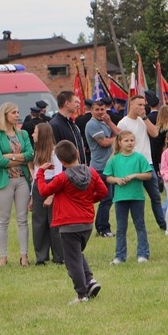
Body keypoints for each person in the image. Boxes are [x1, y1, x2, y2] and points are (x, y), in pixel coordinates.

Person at [36, 140, 107, 305]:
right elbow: (103, 191)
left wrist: (40, 172)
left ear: (61, 161)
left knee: (72, 260)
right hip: (87, 223)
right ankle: (90, 280)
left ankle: (82, 294)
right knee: (76, 254)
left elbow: (44, 191)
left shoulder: (62, 178)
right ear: (78, 153)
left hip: (69, 225)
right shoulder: (91, 172)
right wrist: (90, 200)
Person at [0, 101, 33, 267]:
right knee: (3, 219)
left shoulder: (22, 134)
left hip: (22, 179)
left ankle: (24, 256)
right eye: (14, 112)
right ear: (5, 114)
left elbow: (30, 154)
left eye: (17, 112)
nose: (17, 115)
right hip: (4, 180)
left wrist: (11, 156)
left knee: (23, 219)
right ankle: (3, 257)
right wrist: (19, 159)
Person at [116, 95, 166, 232]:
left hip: (147, 163)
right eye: (139, 105)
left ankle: (163, 224)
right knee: (134, 198)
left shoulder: (143, 120)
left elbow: (155, 134)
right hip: (131, 164)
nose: (142, 107)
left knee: (155, 196)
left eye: (143, 105)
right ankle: (134, 225)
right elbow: (120, 144)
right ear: (131, 105)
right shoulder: (123, 123)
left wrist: (144, 117)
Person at [104, 131, 152, 264]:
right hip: (120, 198)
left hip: (137, 197)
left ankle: (143, 254)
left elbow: (148, 174)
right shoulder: (114, 160)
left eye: (132, 140)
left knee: (140, 225)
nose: (129, 143)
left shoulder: (139, 158)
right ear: (119, 143)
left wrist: (134, 175)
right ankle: (120, 255)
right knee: (121, 228)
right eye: (126, 141)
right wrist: (116, 180)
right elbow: (108, 177)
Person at [84, 98, 118, 238]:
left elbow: (119, 132)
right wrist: (118, 139)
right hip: (99, 167)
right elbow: (104, 142)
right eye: (97, 109)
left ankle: (101, 226)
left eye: (102, 109)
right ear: (91, 111)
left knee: (109, 198)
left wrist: (109, 122)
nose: (100, 112)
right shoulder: (92, 124)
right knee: (106, 198)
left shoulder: (105, 122)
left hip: (109, 166)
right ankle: (103, 228)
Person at [29, 123, 63, 265]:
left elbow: (59, 176)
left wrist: (51, 195)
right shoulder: (37, 153)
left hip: (51, 186)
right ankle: (41, 257)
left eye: (35, 132)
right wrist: (32, 196)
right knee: (39, 223)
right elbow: (36, 176)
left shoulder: (55, 153)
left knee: (54, 222)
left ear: (42, 135)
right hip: (39, 186)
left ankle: (59, 256)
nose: (33, 135)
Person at [50, 91, 88, 165]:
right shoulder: (54, 125)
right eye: (75, 102)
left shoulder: (73, 124)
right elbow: (56, 152)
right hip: (66, 169)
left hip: (78, 168)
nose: (78, 105)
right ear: (67, 103)